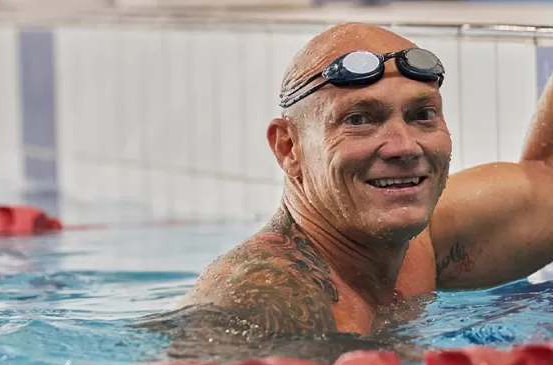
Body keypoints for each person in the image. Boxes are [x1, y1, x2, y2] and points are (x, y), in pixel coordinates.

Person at [177, 22, 553, 335]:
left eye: (422, 114)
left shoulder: (417, 247)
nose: (404, 147)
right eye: (359, 119)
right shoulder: (264, 308)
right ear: (288, 148)